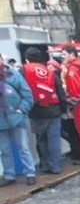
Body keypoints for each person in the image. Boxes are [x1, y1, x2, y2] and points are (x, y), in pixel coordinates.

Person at [22, 47, 67, 175]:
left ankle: (45, 165)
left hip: (36, 111)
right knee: (54, 139)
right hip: (54, 110)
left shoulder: (23, 70)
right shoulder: (50, 72)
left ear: (27, 59)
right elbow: (60, 92)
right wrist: (63, 108)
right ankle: (56, 166)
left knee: (41, 139)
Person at [0, 53, 37, 187]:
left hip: (16, 118)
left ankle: (30, 173)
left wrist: (22, 109)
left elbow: (27, 95)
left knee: (23, 147)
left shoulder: (13, 75)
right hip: (1, 121)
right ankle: (9, 175)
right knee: (4, 150)